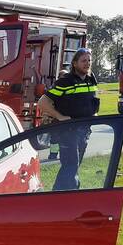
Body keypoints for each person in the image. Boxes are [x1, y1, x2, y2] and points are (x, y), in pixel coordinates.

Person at [37, 48, 99, 190]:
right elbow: (42, 103)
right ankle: (67, 195)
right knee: (71, 165)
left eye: (89, 60)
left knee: (74, 165)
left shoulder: (91, 79)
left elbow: (91, 101)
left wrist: (93, 114)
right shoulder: (65, 81)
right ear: (75, 63)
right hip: (67, 131)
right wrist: (60, 116)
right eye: (83, 61)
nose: (87, 63)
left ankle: (61, 194)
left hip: (84, 131)